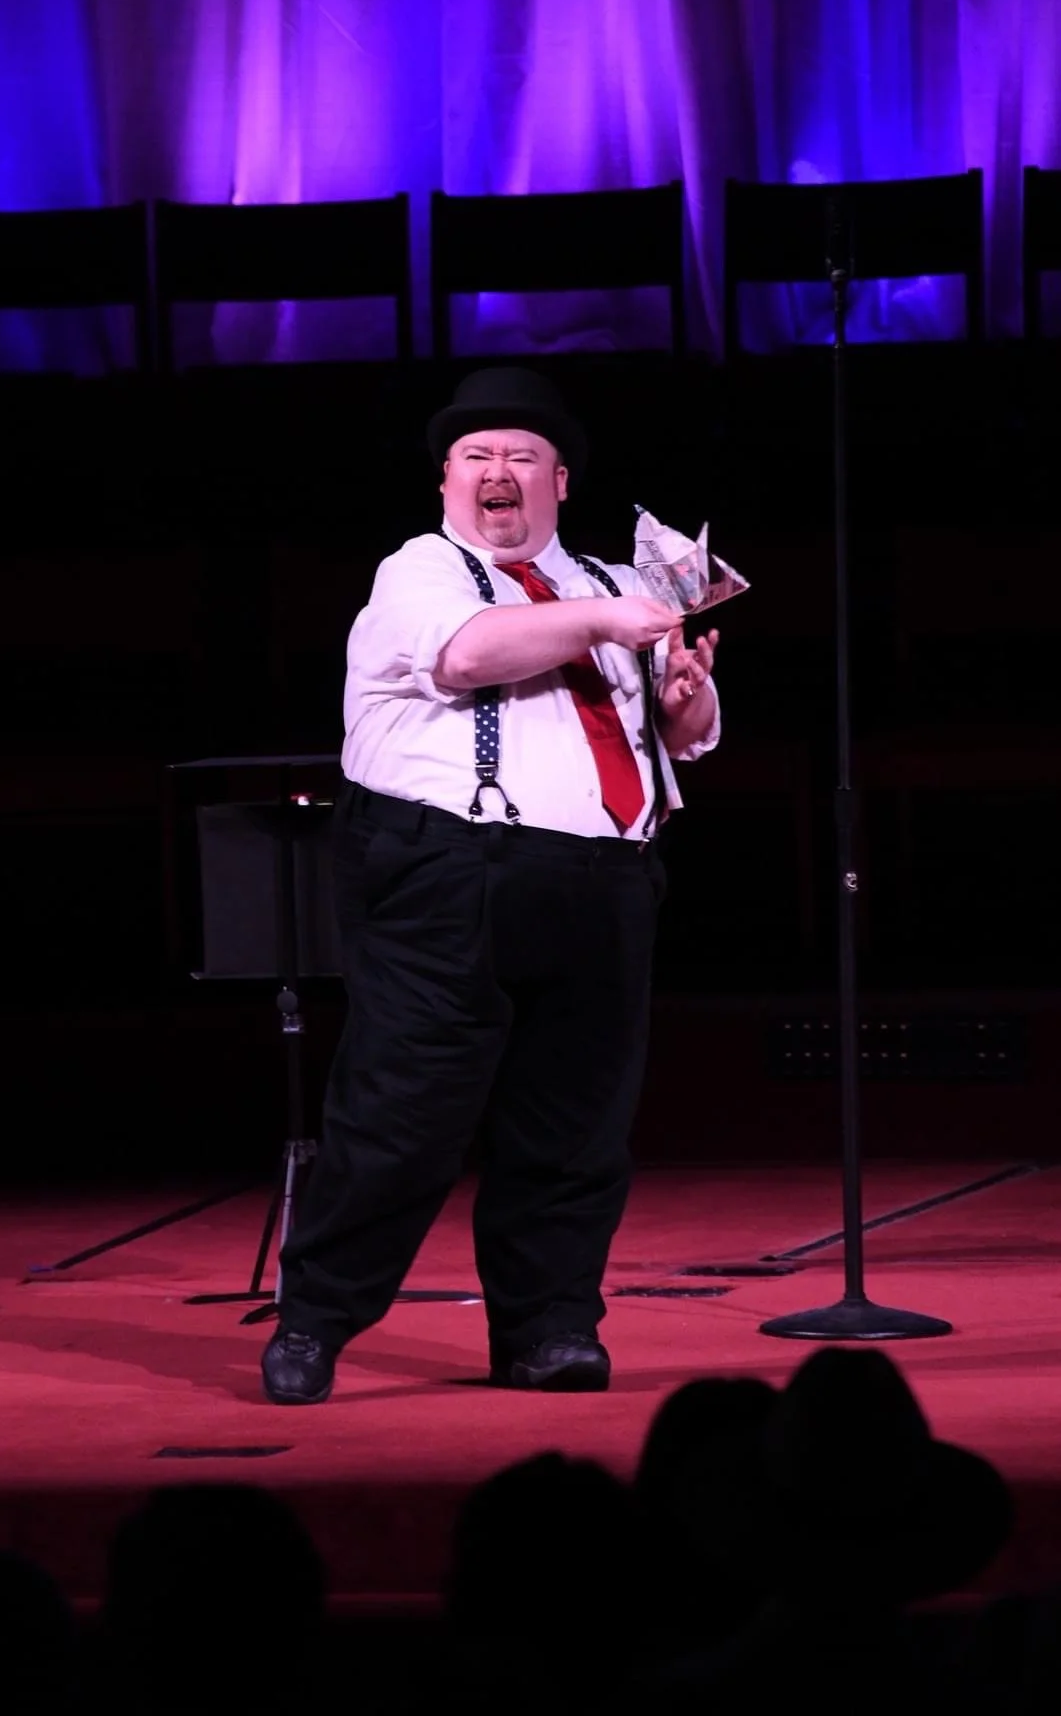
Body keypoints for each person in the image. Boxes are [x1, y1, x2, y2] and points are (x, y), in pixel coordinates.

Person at [261, 365, 721, 1405]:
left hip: (605, 881)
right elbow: (470, 656)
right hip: (448, 875)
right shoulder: (422, 568)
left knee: (574, 1126)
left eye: (518, 456)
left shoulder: (613, 580)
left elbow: (686, 741)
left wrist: (684, 698)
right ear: (446, 485)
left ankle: (549, 1330)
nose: (495, 472)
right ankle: (315, 1319)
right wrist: (611, 623)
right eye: (475, 457)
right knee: (400, 1117)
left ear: (559, 479)